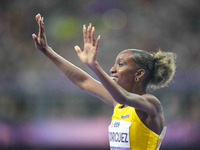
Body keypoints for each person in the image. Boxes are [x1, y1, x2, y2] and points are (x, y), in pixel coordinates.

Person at [32, 13, 176, 150]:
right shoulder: (119, 104)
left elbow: (124, 97)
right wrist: (47, 50)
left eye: (120, 64)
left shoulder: (150, 104)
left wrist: (94, 65)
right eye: (114, 63)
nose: (112, 69)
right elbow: (83, 81)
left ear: (139, 73)